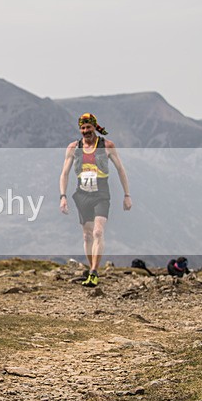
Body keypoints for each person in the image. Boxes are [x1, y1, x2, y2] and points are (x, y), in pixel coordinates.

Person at [59, 113, 132, 287]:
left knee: (98, 232)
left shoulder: (107, 146)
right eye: (83, 128)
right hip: (82, 194)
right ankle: (91, 267)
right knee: (87, 235)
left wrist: (126, 195)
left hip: (101, 193)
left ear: (94, 127)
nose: (86, 131)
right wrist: (63, 196)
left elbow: (121, 169)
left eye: (89, 128)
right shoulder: (73, 148)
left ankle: (93, 272)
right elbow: (64, 173)